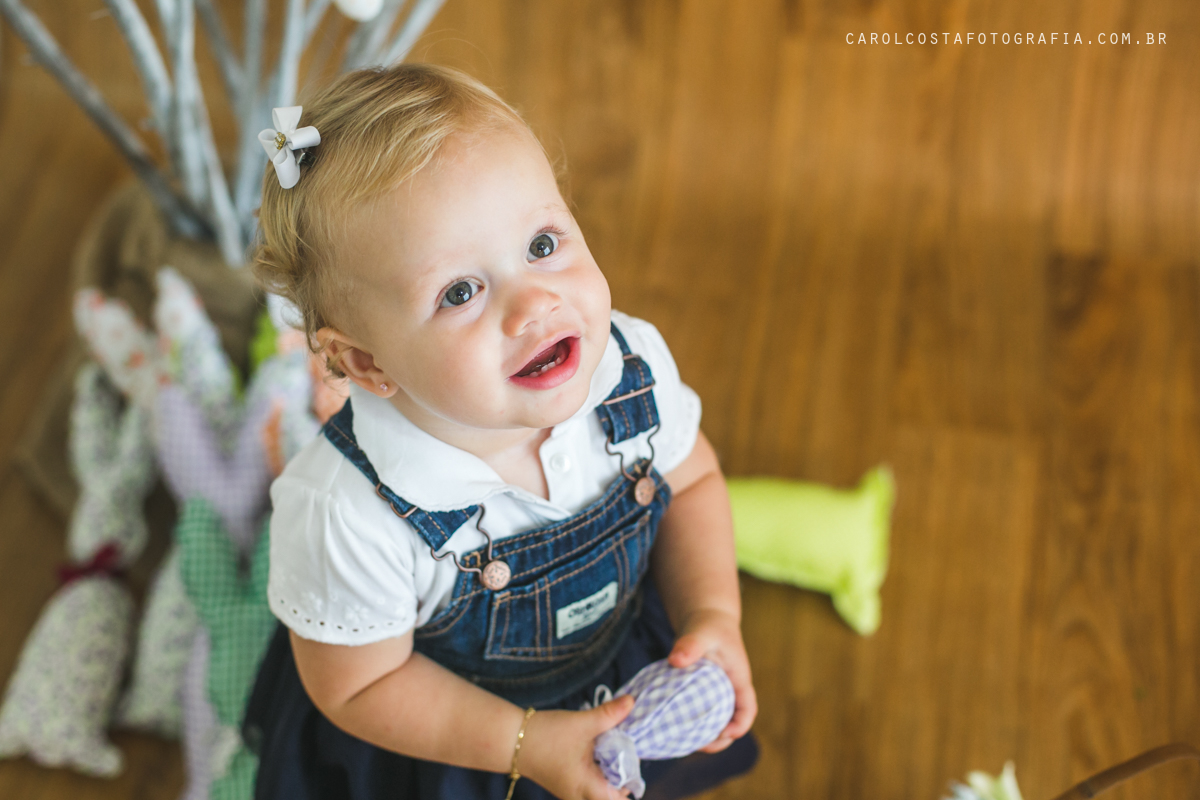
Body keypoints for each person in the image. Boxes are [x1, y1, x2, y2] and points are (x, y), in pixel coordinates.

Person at [243, 63, 759, 800]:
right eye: (459, 292)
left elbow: (696, 478)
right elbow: (361, 686)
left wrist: (713, 614)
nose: (534, 304)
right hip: (453, 738)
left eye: (543, 244)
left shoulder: (628, 367)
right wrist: (528, 744)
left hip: (620, 667)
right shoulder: (349, 513)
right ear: (366, 361)